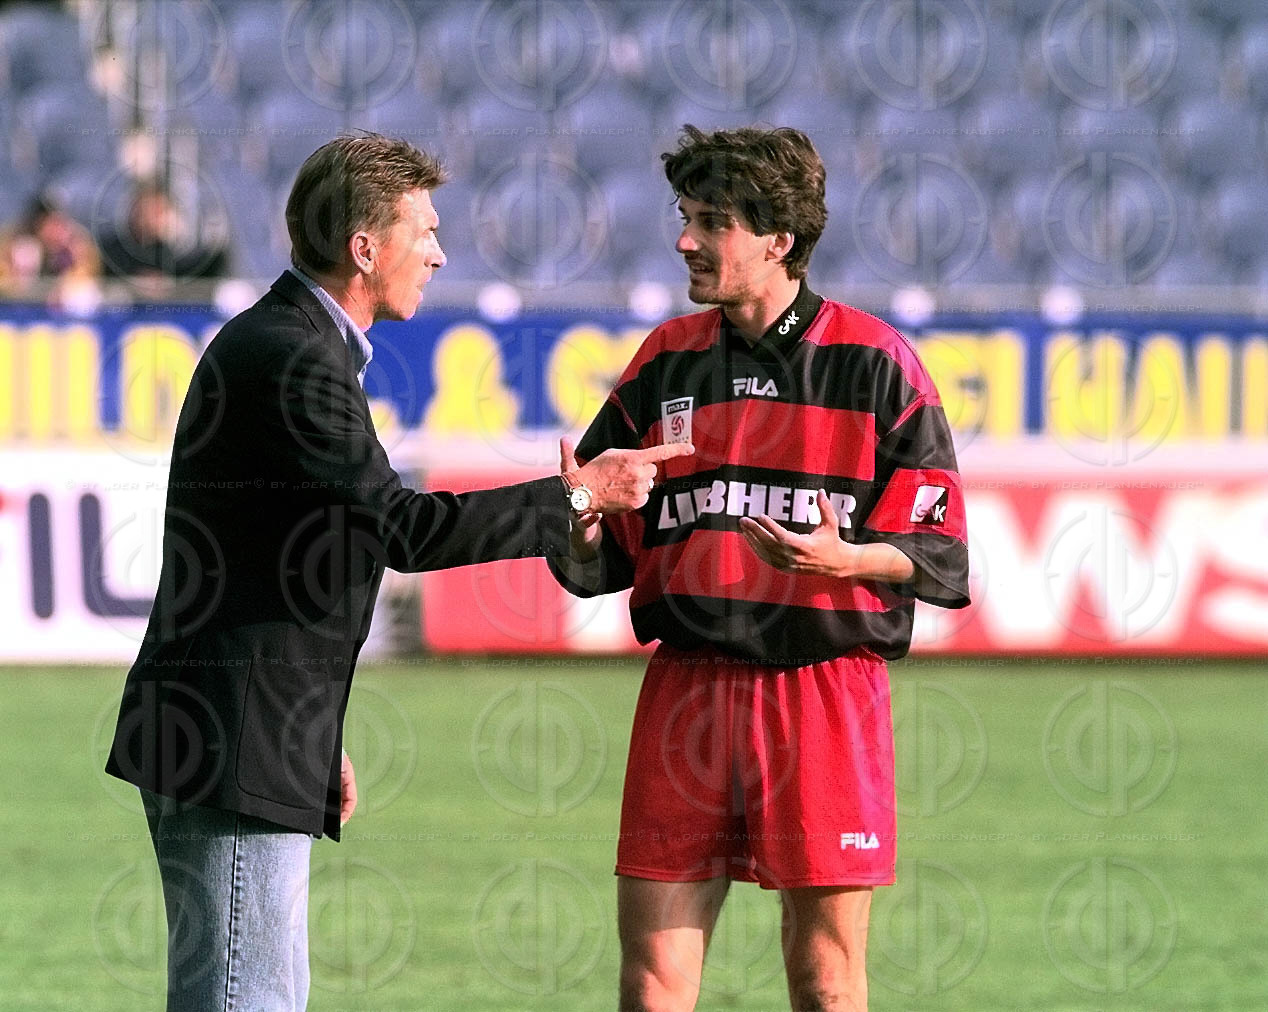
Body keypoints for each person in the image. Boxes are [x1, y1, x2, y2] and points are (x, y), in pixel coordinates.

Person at [103, 132, 691, 1011]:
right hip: (231, 738)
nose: (440, 252)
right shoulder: (294, 356)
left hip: (246, 729)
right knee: (243, 996)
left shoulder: (293, 342)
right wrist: (580, 495)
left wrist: (311, 735)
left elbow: (285, 551)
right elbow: (402, 529)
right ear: (365, 249)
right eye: (426, 231)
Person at [549, 125, 970, 1012]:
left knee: (826, 982)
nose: (685, 240)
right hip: (686, 694)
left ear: (780, 239)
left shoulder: (876, 363)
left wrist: (845, 559)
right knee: (651, 984)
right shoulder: (666, 359)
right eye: (686, 217)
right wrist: (582, 520)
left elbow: (938, 547)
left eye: (713, 222)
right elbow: (599, 534)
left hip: (824, 695)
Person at [97, 177, 230, 282]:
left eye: (160, 212)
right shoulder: (111, 251)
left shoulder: (170, 253)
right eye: (148, 212)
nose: (152, 219)